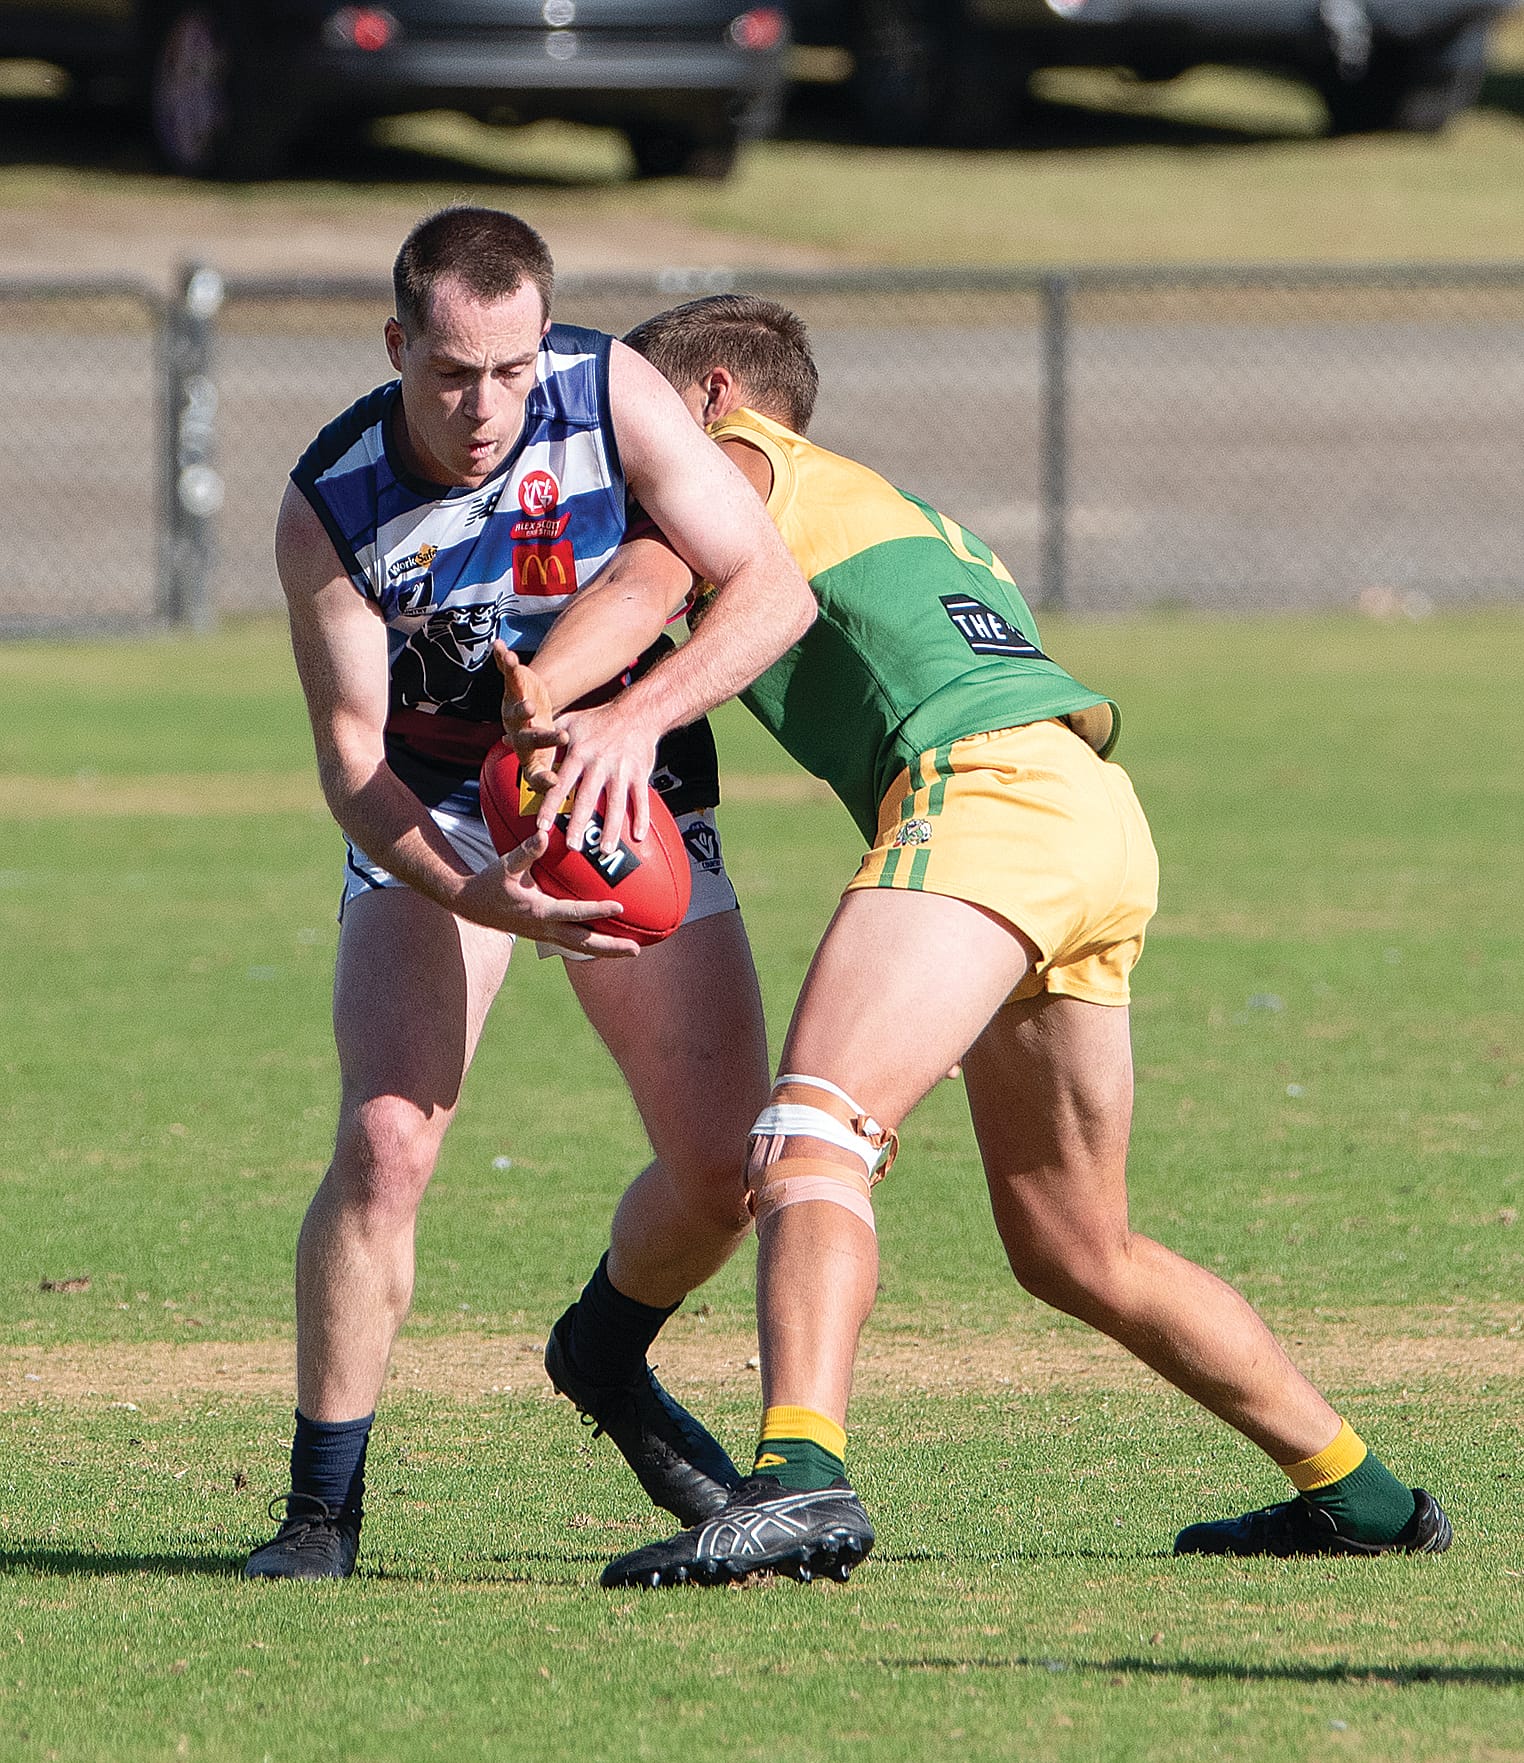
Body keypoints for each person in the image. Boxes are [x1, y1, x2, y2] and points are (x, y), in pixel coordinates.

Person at [503, 293, 1453, 1588]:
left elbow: (640, 584)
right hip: (1093, 812)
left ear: (715, 397)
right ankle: (1368, 1498)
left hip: (986, 799)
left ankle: (797, 1475)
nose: (635, 460)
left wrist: (545, 698)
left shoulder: (737, 466)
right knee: (1077, 1245)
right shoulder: (903, 509)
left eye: (646, 426)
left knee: (810, 1138)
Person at [243, 216, 816, 1580]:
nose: (487, 404)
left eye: (510, 368)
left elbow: (770, 589)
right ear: (398, 350)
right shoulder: (331, 504)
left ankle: (604, 1356)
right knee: (388, 1142)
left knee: (725, 1171)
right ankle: (322, 1516)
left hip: (630, 787)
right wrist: (477, 897)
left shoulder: (610, 387)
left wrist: (639, 720)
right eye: (451, 372)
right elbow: (351, 766)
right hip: (443, 810)